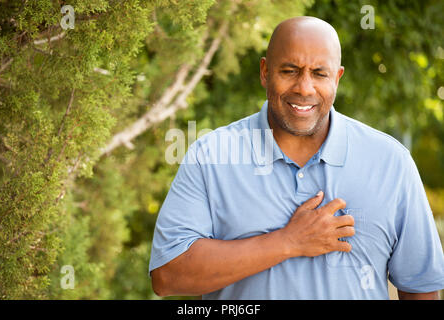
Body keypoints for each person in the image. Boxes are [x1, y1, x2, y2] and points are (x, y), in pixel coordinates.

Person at [149, 16, 444, 299]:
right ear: (265, 72)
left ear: (337, 78)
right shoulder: (211, 155)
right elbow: (167, 275)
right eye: (289, 71)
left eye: (319, 73)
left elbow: (421, 287)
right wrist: (288, 242)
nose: (304, 88)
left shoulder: (390, 162)